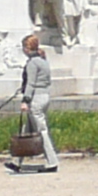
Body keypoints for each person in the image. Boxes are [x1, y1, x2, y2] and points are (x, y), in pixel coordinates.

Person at [13, 29, 59, 172]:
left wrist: (25, 100)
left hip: (36, 98)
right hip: (44, 95)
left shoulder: (32, 63)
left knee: (41, 130)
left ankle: (52, 161)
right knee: (26, 129)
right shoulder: (43, 61)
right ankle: (16, 162)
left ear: (27, 48)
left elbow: (31, 83)